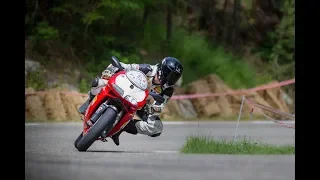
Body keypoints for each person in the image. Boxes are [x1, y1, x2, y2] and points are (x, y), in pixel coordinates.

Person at [78, 57, 183, 146]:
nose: (172, 79)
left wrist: (156, 108)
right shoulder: (147, 69)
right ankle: (90, 101)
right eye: (171, 75)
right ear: (162, 70)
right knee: (99, 82)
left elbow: (160, 104)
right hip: (126, 90)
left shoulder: (168, 90)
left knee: (156, 127)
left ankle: (123, 127)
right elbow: (126, 66)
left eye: (175, 78)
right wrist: (111, 70)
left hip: (141, 104)